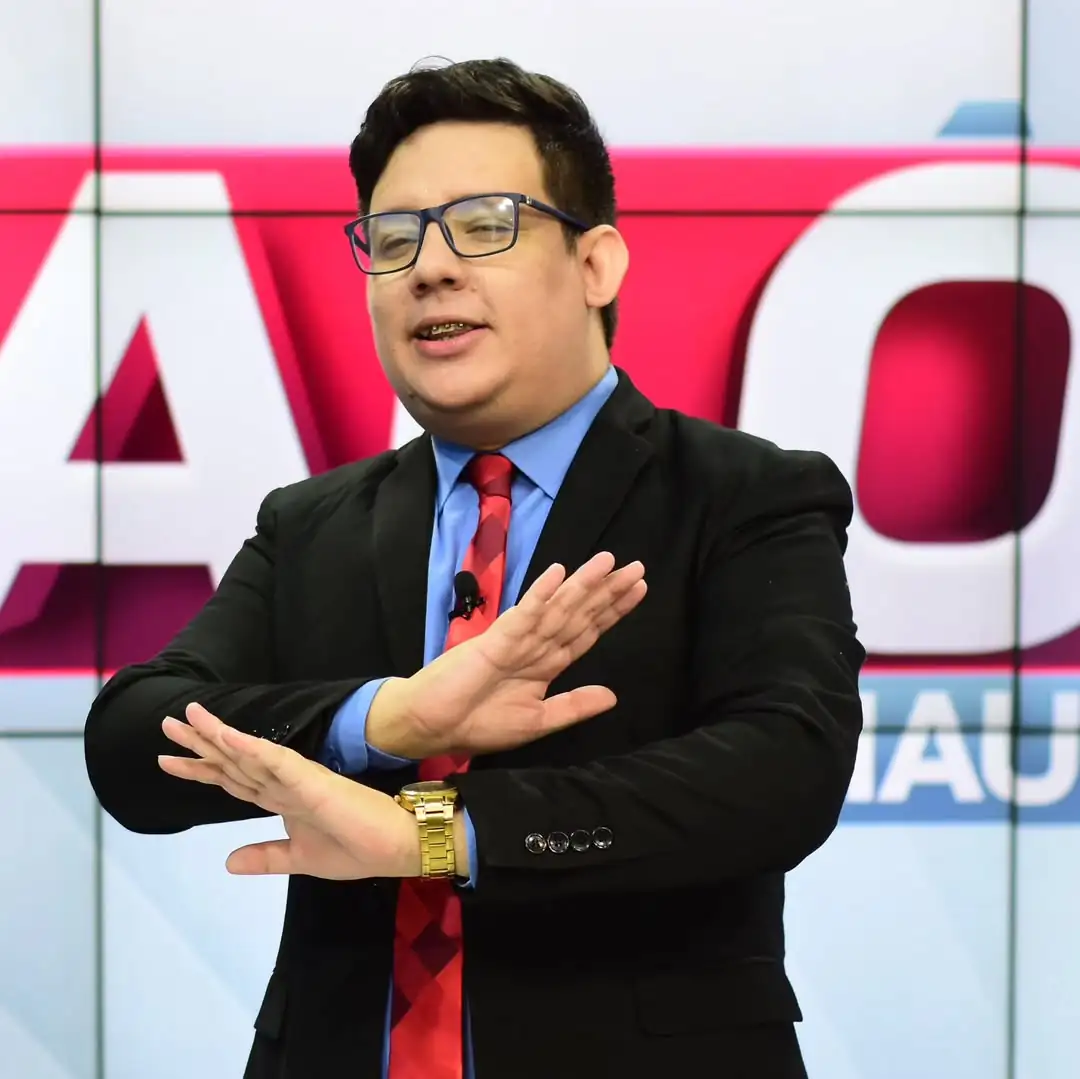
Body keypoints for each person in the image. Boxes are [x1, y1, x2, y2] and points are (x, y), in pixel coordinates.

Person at [83, 56, 865, 1079]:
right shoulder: (312, 523)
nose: (430, 269)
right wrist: (392, 719)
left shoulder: (743, 493)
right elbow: (133, 744)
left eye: (485, 225)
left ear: (596, 264)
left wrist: (433, 831)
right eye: (394, 239)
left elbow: (783, 771)